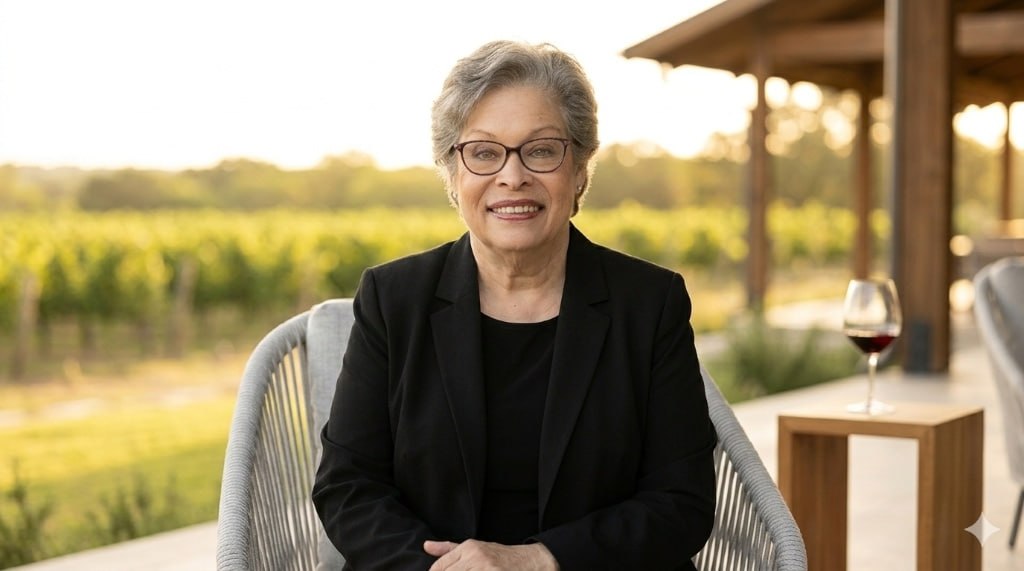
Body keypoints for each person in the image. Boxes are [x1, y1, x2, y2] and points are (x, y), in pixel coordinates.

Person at [312, 40, 717, 571]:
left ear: (580, 170)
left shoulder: (650, 303)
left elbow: (682, 501)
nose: (512, 175)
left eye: (542, 150)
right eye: (484, 152)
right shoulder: (392, 299)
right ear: (452, 176)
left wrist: (539, 559)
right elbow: (348, 485)